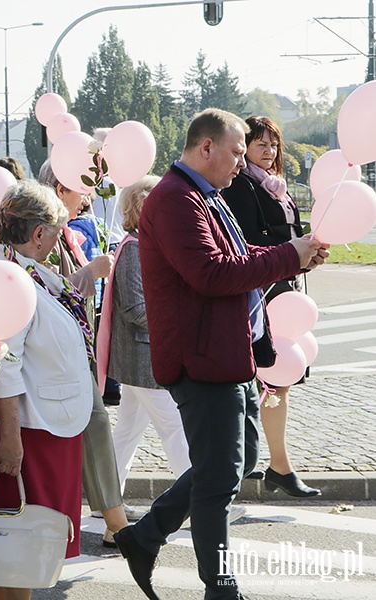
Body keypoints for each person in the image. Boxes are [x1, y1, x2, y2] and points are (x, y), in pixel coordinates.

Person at [114, 108, 328, 600]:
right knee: (217, 480)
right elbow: (211, 275)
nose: (241, 161)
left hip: (226, 353)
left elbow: (237, 257)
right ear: (205, 147)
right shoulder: (174, 200)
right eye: (235, 151)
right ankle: (220, 587)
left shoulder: (203, 195)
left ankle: (144, 535)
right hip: (201, 358)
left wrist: (292, 252)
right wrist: (286, 257)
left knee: (240, 459)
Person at [0, 181, 94, 600]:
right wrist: (11, 438)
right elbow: (1, 365)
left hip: (37, 422)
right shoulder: (4, 275)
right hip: (20, 426)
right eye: (56, 231)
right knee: (16, 546)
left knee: (22, 552)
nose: (57, 241)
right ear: (38, 233)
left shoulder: (21, 268)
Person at [36, 161, 139, 547]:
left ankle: (115, 523)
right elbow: (46, 291)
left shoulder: (67, 233)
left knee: (99, 431)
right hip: (57, 358)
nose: (90, 195)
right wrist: (91, 272)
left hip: (76, 353)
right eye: (84, 186)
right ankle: (116, 525)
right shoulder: (44, 234)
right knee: (95, 429)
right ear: (62, 188)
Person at [221, 116, 320, 497]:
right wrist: (292, 250)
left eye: (274, 145)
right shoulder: (242, 185)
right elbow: (246, 241)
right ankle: (255, 464)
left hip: (284, 288)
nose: (269, 151)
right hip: (261, 290)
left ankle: (278, 463)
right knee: (265, 377)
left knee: (280, 378)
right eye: (260, 144)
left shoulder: (274, 186)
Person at [95, 176, 192, 499]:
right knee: (176, 429)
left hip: (139, 359)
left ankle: (107, 499)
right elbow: (136, 310)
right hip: (144, 359)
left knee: (127, 433)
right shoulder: (136, 249)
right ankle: (201, 500)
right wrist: (179, 317)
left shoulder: (141, 245)